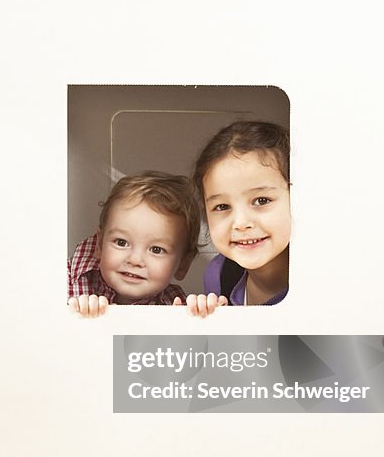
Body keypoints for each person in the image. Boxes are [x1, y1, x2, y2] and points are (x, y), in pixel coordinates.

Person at [180, 120, 290, 316]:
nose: (240, 223)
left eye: (261, 200)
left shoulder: (322, 280)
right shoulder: (218, 275)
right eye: (222, 206)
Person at [68, 171, 199, 317]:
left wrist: (206, 315)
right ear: (99, 244)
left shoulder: (178, 306)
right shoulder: (63, 280)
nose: (135, 260)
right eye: (121, 242)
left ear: (183, 265)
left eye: (156, 249)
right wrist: (76, 313)